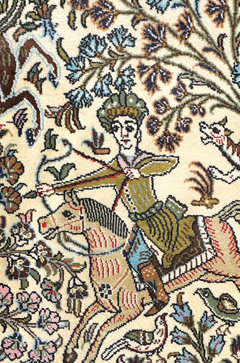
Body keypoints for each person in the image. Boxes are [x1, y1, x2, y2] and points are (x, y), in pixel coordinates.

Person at [37, 90, 212, 308]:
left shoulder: (144, 160)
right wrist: (55, 188)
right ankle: (149, 292)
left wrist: (141, 171)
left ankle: (160, 295)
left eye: (129, 127)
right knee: (131, 252)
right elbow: (90, 181)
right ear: (114, 133)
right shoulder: (115, 167)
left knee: (140, 252)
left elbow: (168, 163)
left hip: (157, 219)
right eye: (118, 128)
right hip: (139, 222)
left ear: (137, 132)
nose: (124, 133)